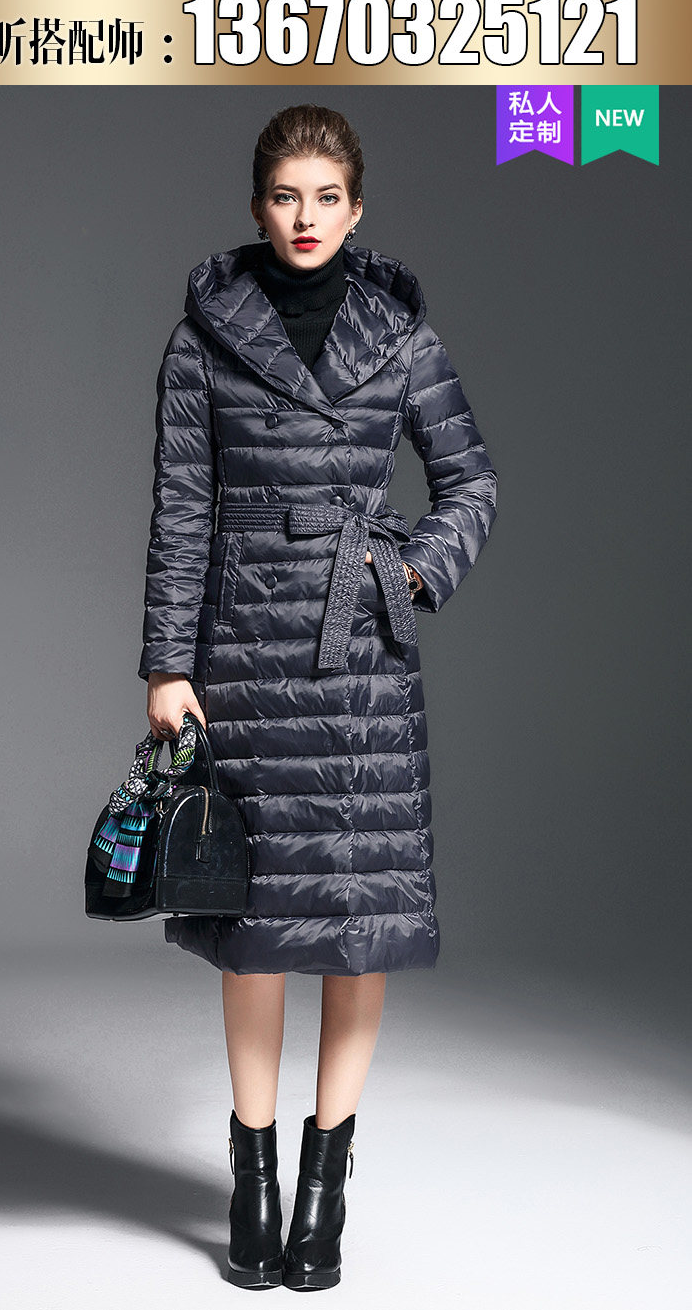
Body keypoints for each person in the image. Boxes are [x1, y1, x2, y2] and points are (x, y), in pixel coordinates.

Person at [138, 104, 498, 1291]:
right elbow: (181, 513)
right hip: (240, 654)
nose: (305, 217)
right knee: (252, 929)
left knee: (354, 923)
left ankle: (323, 1188)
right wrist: (167, 665)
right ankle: (251, 1177)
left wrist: (410, 571)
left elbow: (469, 480)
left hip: (361, 664)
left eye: (325, 198)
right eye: (285, 197)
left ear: (356, 209)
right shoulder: (202, 341)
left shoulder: (401, 335)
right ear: (258, 207)